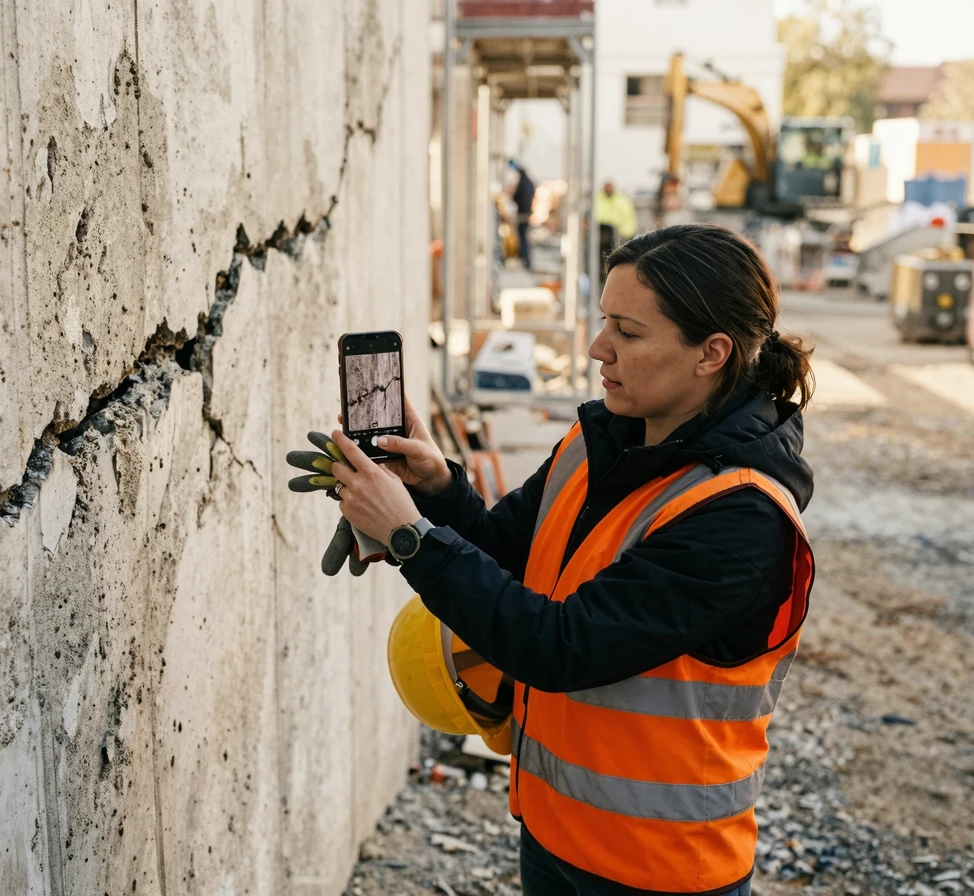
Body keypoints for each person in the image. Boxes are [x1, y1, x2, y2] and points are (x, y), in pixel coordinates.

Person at [326, 223, 816, 896]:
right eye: (604, 322)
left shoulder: (741, 516)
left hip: (662, 870)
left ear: (712, 353)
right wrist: (436, 491)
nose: (596, 349)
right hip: (557, 835)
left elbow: (561, 647)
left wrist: (410, 537)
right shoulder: (599, 444)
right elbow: (505, 555)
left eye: (629, 332)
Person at [507, 159, 537, 270]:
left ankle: (526, 260)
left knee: (523, 236)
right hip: (525, 212)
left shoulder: (524, 183)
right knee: (523, 236)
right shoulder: (527, 182)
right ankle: (525, 259)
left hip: (523, 214)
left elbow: (517, 197)